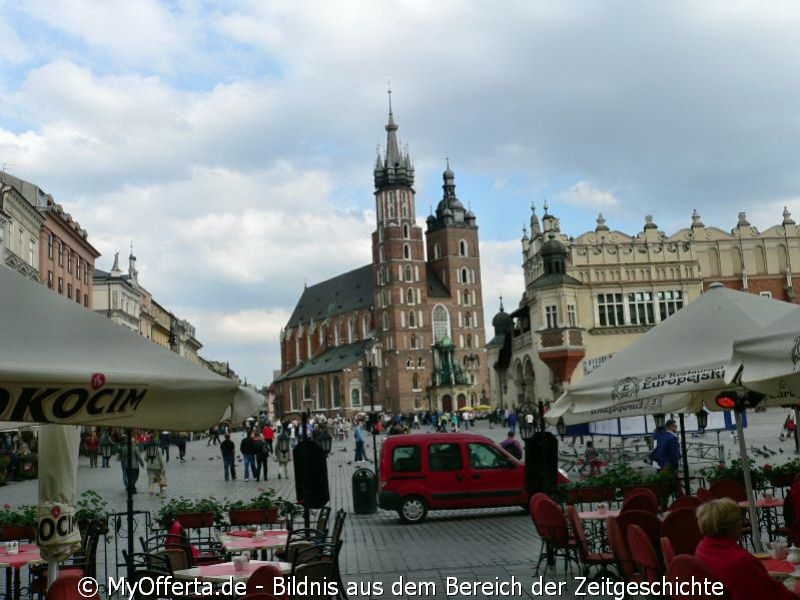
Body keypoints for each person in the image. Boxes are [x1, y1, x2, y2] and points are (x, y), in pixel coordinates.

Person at [695, 498, 800, 600]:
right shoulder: (740, 561)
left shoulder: (703, 548)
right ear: (731, 525)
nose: (742, 523)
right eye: (739, 519)